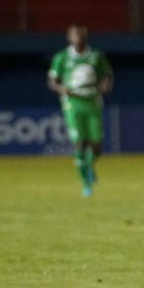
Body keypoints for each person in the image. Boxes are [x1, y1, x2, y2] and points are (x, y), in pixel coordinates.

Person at [47, 25, 113, 197]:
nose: (79, 39)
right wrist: (61, 89)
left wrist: (106, 84)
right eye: (76, 36)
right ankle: (86, 184)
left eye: (82, 36)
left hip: (92, 102)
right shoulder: (62, 57)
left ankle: (90, 166)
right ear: (70, 38)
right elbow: (52, 81)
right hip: (73, 104)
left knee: (97, 145)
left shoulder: (96, 56)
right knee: (81, 142)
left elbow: (107, 75)